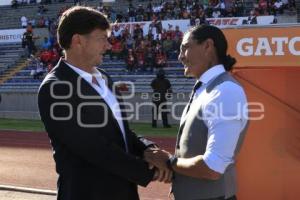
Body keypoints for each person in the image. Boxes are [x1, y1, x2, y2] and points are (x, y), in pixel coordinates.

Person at [38, 6, 172, 200]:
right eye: (102, 38)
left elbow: (121, 132)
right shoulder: (55, 87)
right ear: (78, 41)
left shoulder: (105, 79)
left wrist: (148, 150)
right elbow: (93, 148)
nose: (108, 46)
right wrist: (153, 171)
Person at [145, 25, 249, 200]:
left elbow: (212, 168)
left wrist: (168, 162)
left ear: (208, 46)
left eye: (185, 48)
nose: (180, 57)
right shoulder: (206, 87)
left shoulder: (225, 91)